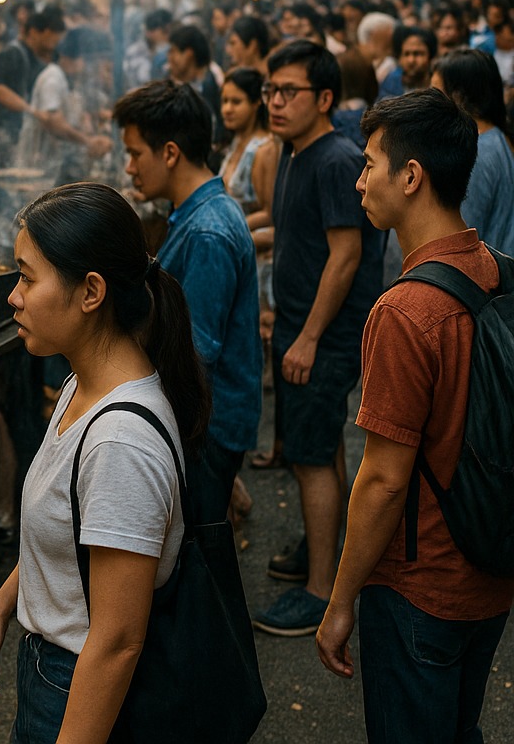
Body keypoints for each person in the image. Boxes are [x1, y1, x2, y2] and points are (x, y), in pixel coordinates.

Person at [0, 182, 211, 742]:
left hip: (79, 687)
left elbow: (117, 643)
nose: (13, 296)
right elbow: (71, 539)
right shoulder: (83, 385)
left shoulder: (120, 443)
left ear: (91, 291)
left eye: (27, 278)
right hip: (54, 670)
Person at [318, 88, 513, 743]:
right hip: (489, 573)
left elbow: (382, 479)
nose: (359, 180)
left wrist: (339, 600)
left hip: (418, 587)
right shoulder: (497, 271)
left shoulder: (404, 311)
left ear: (411, 176)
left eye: (369, 164)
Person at [252, 39, 385, 636]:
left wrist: (306, 337)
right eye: (270, 90)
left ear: (325, 98)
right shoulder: (293, 151)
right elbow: (294, 233)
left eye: (289, 91)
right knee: (319, 448)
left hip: (323, 335)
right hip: (297, 325)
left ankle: (321, 592)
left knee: (309, 459)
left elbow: (345, 254)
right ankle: (323, 547)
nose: (275, 102)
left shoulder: (335, 158)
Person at [115, 81, 261, 525]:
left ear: (170, 153)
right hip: (207, 425)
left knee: (196, 545)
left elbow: (196, 354)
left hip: (206, 430)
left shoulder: (207, 233)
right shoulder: (197, 211)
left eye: (135, 153)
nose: (129, 167)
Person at [431, 48, 514, 254]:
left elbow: (463, 238)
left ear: (459, 96)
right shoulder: (495, 138)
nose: (430, 103)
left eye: (436, 93)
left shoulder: (478, 152)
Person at [18, 26, 114, 184]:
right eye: (88, 61)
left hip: (56, 166)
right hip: (38, 166)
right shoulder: (53, 78)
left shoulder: (70, 79)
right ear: (71, 57)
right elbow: (54, 122)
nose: (92, 66)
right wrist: (87, 141)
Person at [0, 5, 64, 142]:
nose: (53, 45)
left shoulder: (35, 60)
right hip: (0, 130)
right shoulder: (12, 54)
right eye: (50, 37)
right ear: (34, 32)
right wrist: (32, 111)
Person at [219, 68, 277, 214]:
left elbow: (269, 213)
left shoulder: (265, 149)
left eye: (236, 102)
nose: (227, 109)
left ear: (256, 103)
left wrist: (237, 225)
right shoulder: (236, 141)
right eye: (225, 101)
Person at [166, 25, 225, 149]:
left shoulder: (214, 82)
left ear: (189, 54)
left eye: (173, 51)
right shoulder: (174, 81)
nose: (169, 58)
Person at [377, 26, 436, 98]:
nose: (411, 60)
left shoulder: (438, 84)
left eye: (417, 54)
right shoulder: (391, 82)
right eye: (406, 54)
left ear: (430, 57)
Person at [123, 8, 172, 86]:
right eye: (164, 31)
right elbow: (144, 81)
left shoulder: (162, 50)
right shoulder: (136, 52)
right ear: (149, 32)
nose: (167, 36)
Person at [356, 12, 400, 85]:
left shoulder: (390, 65)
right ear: (372, 36)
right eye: (387, 44)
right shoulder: (352, 65)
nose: (390, 49)